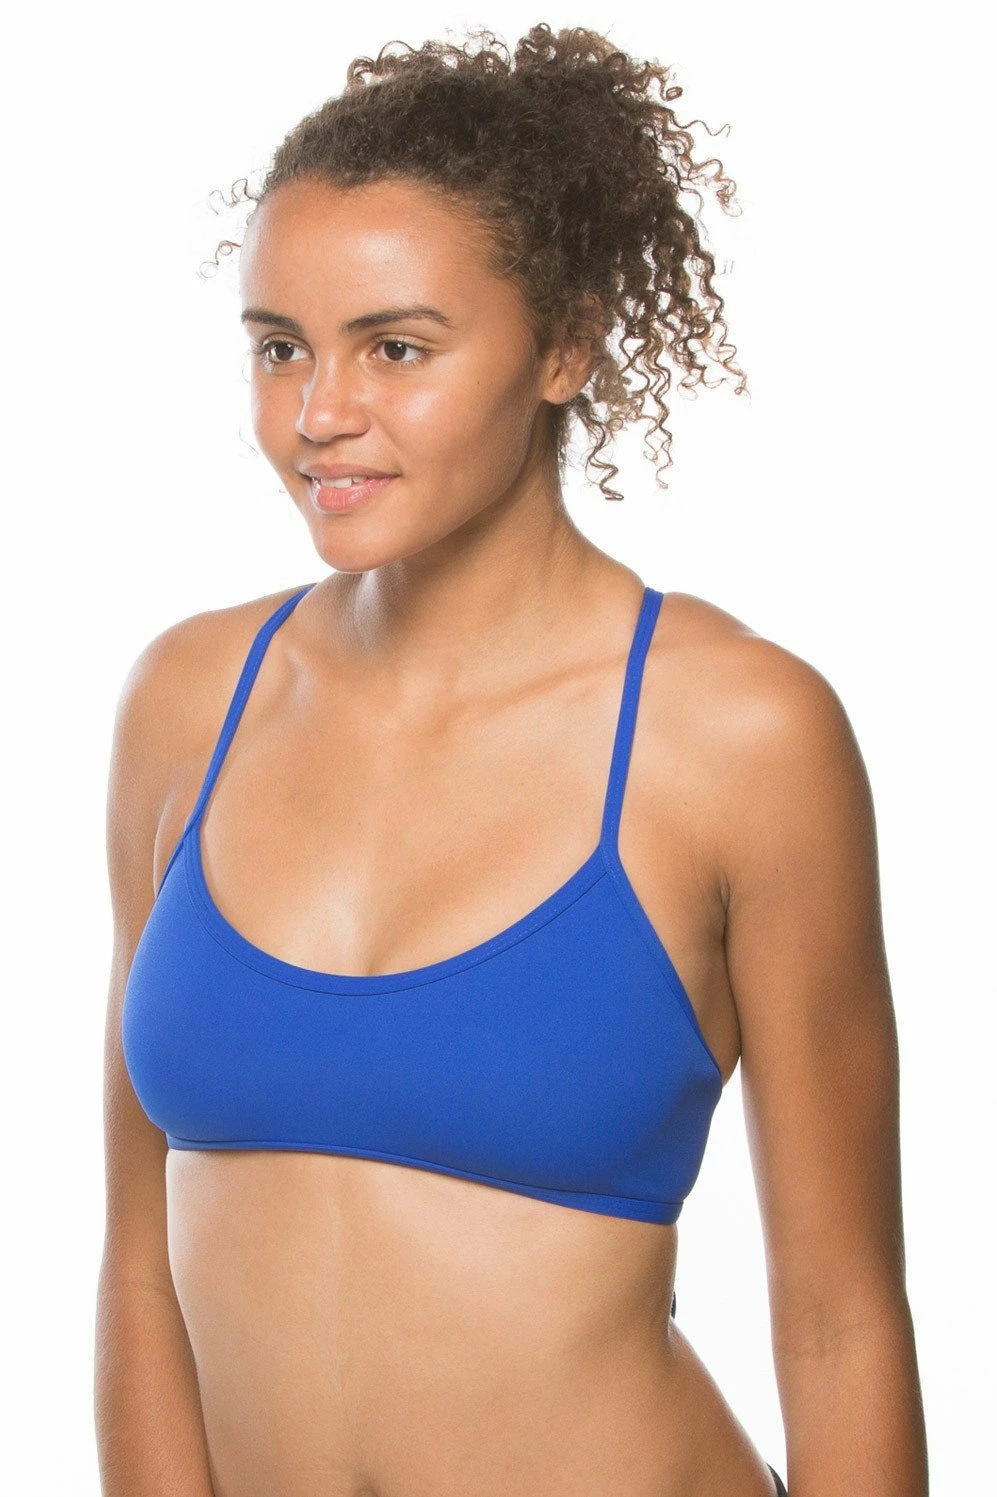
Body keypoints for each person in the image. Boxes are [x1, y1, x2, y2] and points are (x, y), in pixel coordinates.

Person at [94, 22, 928, 1497]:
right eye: (281, 347)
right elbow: (137, 1261)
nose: (318, 414)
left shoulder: (739, 736)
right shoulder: (190, 700)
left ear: (564, 346)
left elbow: (839, 1319)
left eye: (396, 348)